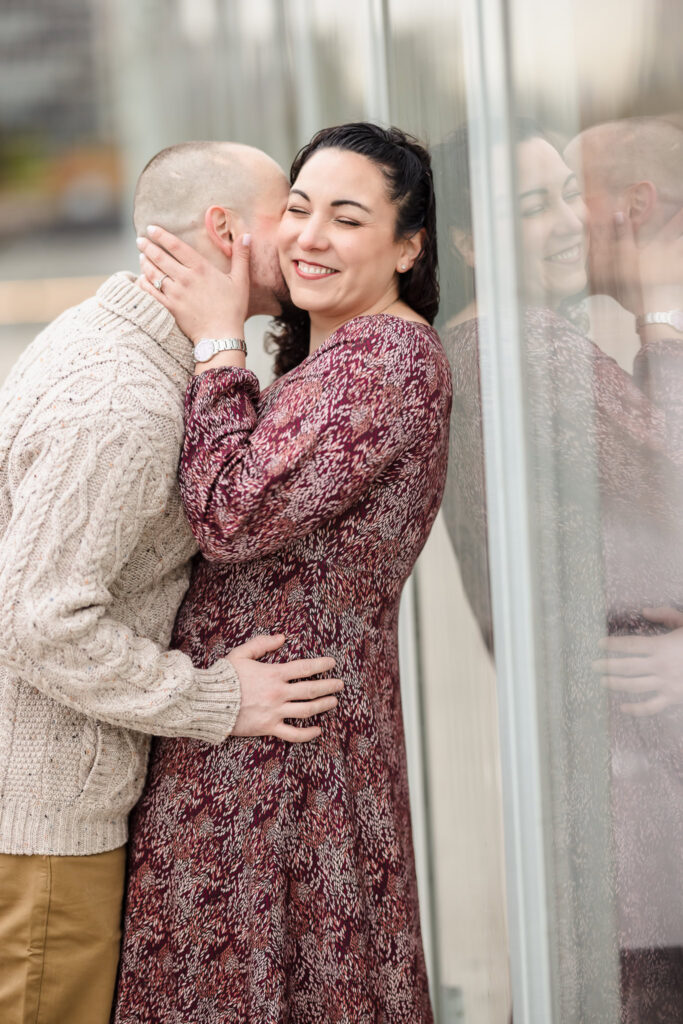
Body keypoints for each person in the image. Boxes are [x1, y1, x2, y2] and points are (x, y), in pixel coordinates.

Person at [113, 122, 451, 1024]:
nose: (307, 237)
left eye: (346, 219)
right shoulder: (341, 355)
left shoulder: (386, 360)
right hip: (263, 728)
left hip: (282, 751)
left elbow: (231, 514)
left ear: (407, 244)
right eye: (298, 209)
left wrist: (218, 341)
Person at [0, 140, 344, 1024]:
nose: (309, 235)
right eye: (291, 214)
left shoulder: (122, 344)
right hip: (42, 833)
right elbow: (40, 622)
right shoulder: (123, 400)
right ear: (224, 232)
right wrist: (214, 700)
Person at [434, 119, 683, 1022]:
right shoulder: (527, 352)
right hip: (633, 764)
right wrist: (660, 315)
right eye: (531, 206)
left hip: (595, 754)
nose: (570, 219)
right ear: (467, 240)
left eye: (565, 192)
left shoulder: (482, 346)